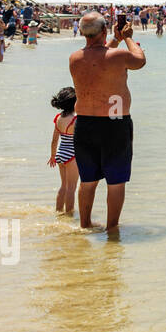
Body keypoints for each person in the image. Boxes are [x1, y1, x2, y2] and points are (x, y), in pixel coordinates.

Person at [69, 12, 146, 232]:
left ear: (83, 33)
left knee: (88, 181)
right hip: (114, 122)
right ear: (104, 31)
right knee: (116, 182)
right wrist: (128, 37)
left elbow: (99, 56)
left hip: (84, 123)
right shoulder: (119, 57)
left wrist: (116, 39)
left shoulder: (75, 58)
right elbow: (139, 61)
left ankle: (85, 225)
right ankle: (112, 229)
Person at [48, 87, 79, 215]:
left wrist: (53, 156)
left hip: (61, 154)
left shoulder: (58, 118)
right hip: (72, 156)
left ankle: (59, 211)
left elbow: (54, 140)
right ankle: (69, 214)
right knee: (72, 188)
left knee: (63, 186)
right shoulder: (75, 120)